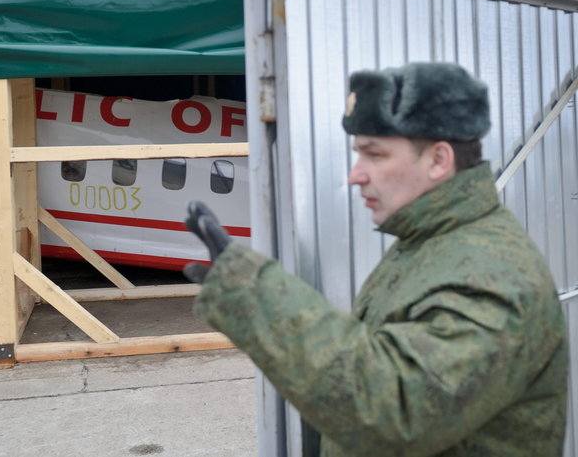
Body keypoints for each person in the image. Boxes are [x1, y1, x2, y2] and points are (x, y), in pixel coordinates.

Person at [184, 62, 567, 456]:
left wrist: (255, 294)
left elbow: (394, 408)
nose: (355, 175)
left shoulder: (491, 275)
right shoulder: (432, 242)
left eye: (374, 154)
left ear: (438, 160)